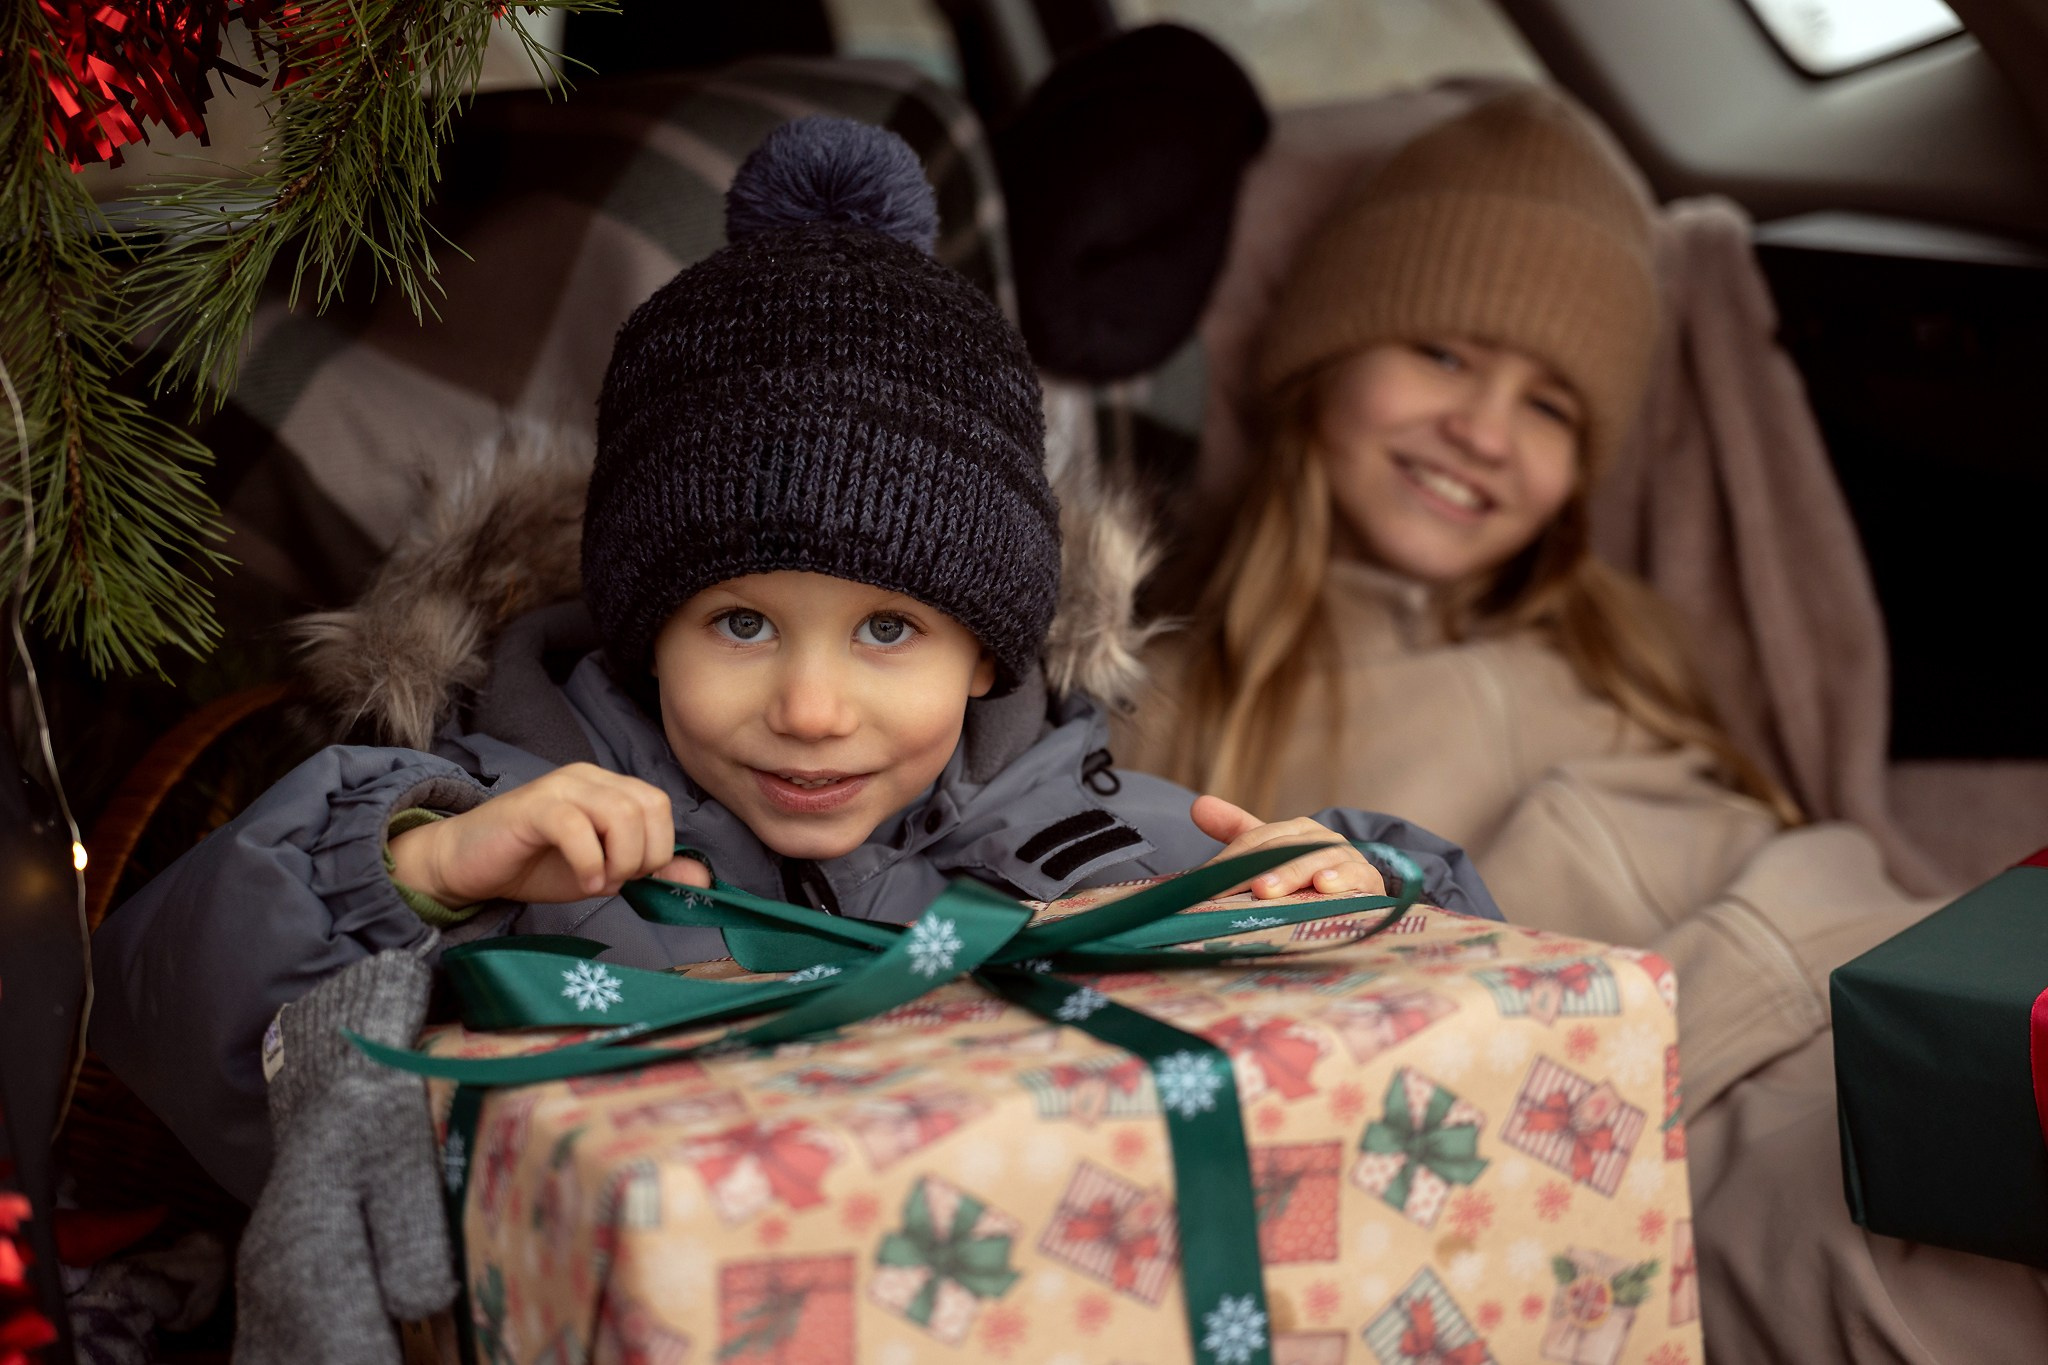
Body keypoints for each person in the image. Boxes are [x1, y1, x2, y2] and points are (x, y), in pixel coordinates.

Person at [88, 116, 1498, 1219]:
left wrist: (1375, 895)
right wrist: (416, 875)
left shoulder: (1104, 843)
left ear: (989, 650)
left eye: (891, 630)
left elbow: (1436, 1013)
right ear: (646, 630)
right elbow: (164, 1025)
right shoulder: (504, 825)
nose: (812, 710)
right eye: (741, 624)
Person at [1118, 88, 2048, 1362]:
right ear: (1320, 355)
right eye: (1440, 353)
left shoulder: (1620, 634)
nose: (1482, 432)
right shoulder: (1187, 700)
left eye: (1550, 405)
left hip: (1887, 972)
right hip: (1673, 1112)